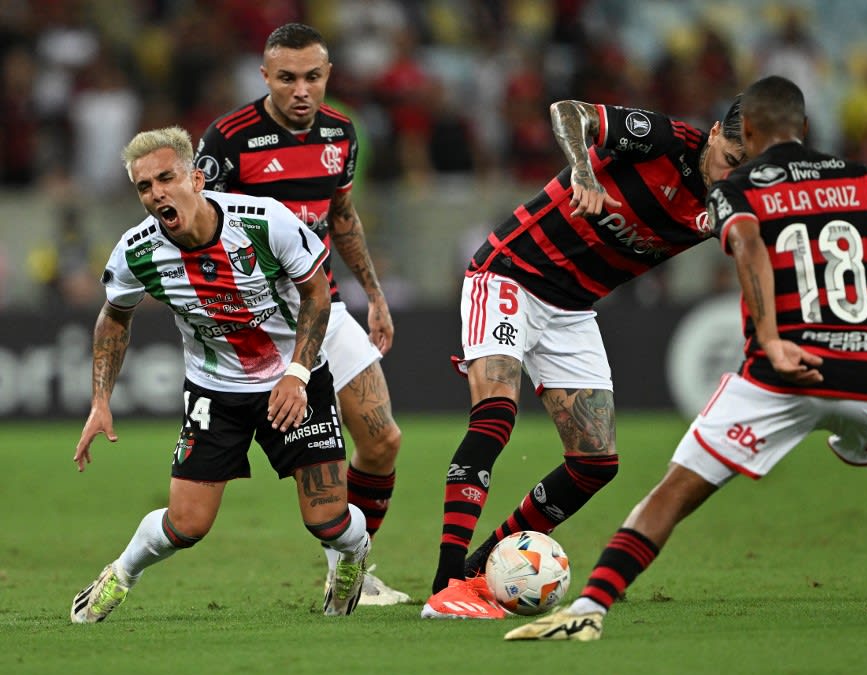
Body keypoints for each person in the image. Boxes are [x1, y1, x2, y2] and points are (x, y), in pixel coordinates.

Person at [504, 75, 867, 641]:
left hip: (779, 371)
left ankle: (589, 611)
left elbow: (748, 246)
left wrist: (768, 338)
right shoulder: (861, 178)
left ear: (754, 130)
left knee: (674, 490)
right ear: (805, 128)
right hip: (865, 370)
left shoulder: (743, 186)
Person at [422, 96, 747, 619]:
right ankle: (445, 587)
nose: (732, 175)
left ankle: (480, 572)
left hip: (571, 307)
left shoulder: (740, 198)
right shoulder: (663, 139)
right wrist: (583, 171)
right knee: (495, 417)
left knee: (596, 462)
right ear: (713, 135)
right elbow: (567, 111)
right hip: (510, 272)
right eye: (731, 159)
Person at [70, 126, 370, 623]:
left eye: (166, 178)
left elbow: (318, 294)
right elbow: (113, 317)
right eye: (144, 187)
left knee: (329, 520)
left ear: (198, 177)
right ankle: (119, 576)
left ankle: (353, 554)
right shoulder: (136, 251)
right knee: (186, 524)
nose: (156, 193)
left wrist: (297, 371)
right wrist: (100, 400)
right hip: (214, 391)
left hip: (292, 381)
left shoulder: (264, 221)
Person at [194, 23, 407, 608]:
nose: (300, 90)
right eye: (286, 78)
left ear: (328, 76)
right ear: (265, 76)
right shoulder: (227, 142)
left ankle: (352, 573)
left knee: (383, 440)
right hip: (260, 322)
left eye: (312, 76)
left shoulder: (340, 132)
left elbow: (342, 216)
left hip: (325, 306)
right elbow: (200, 234)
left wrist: (376, 294)